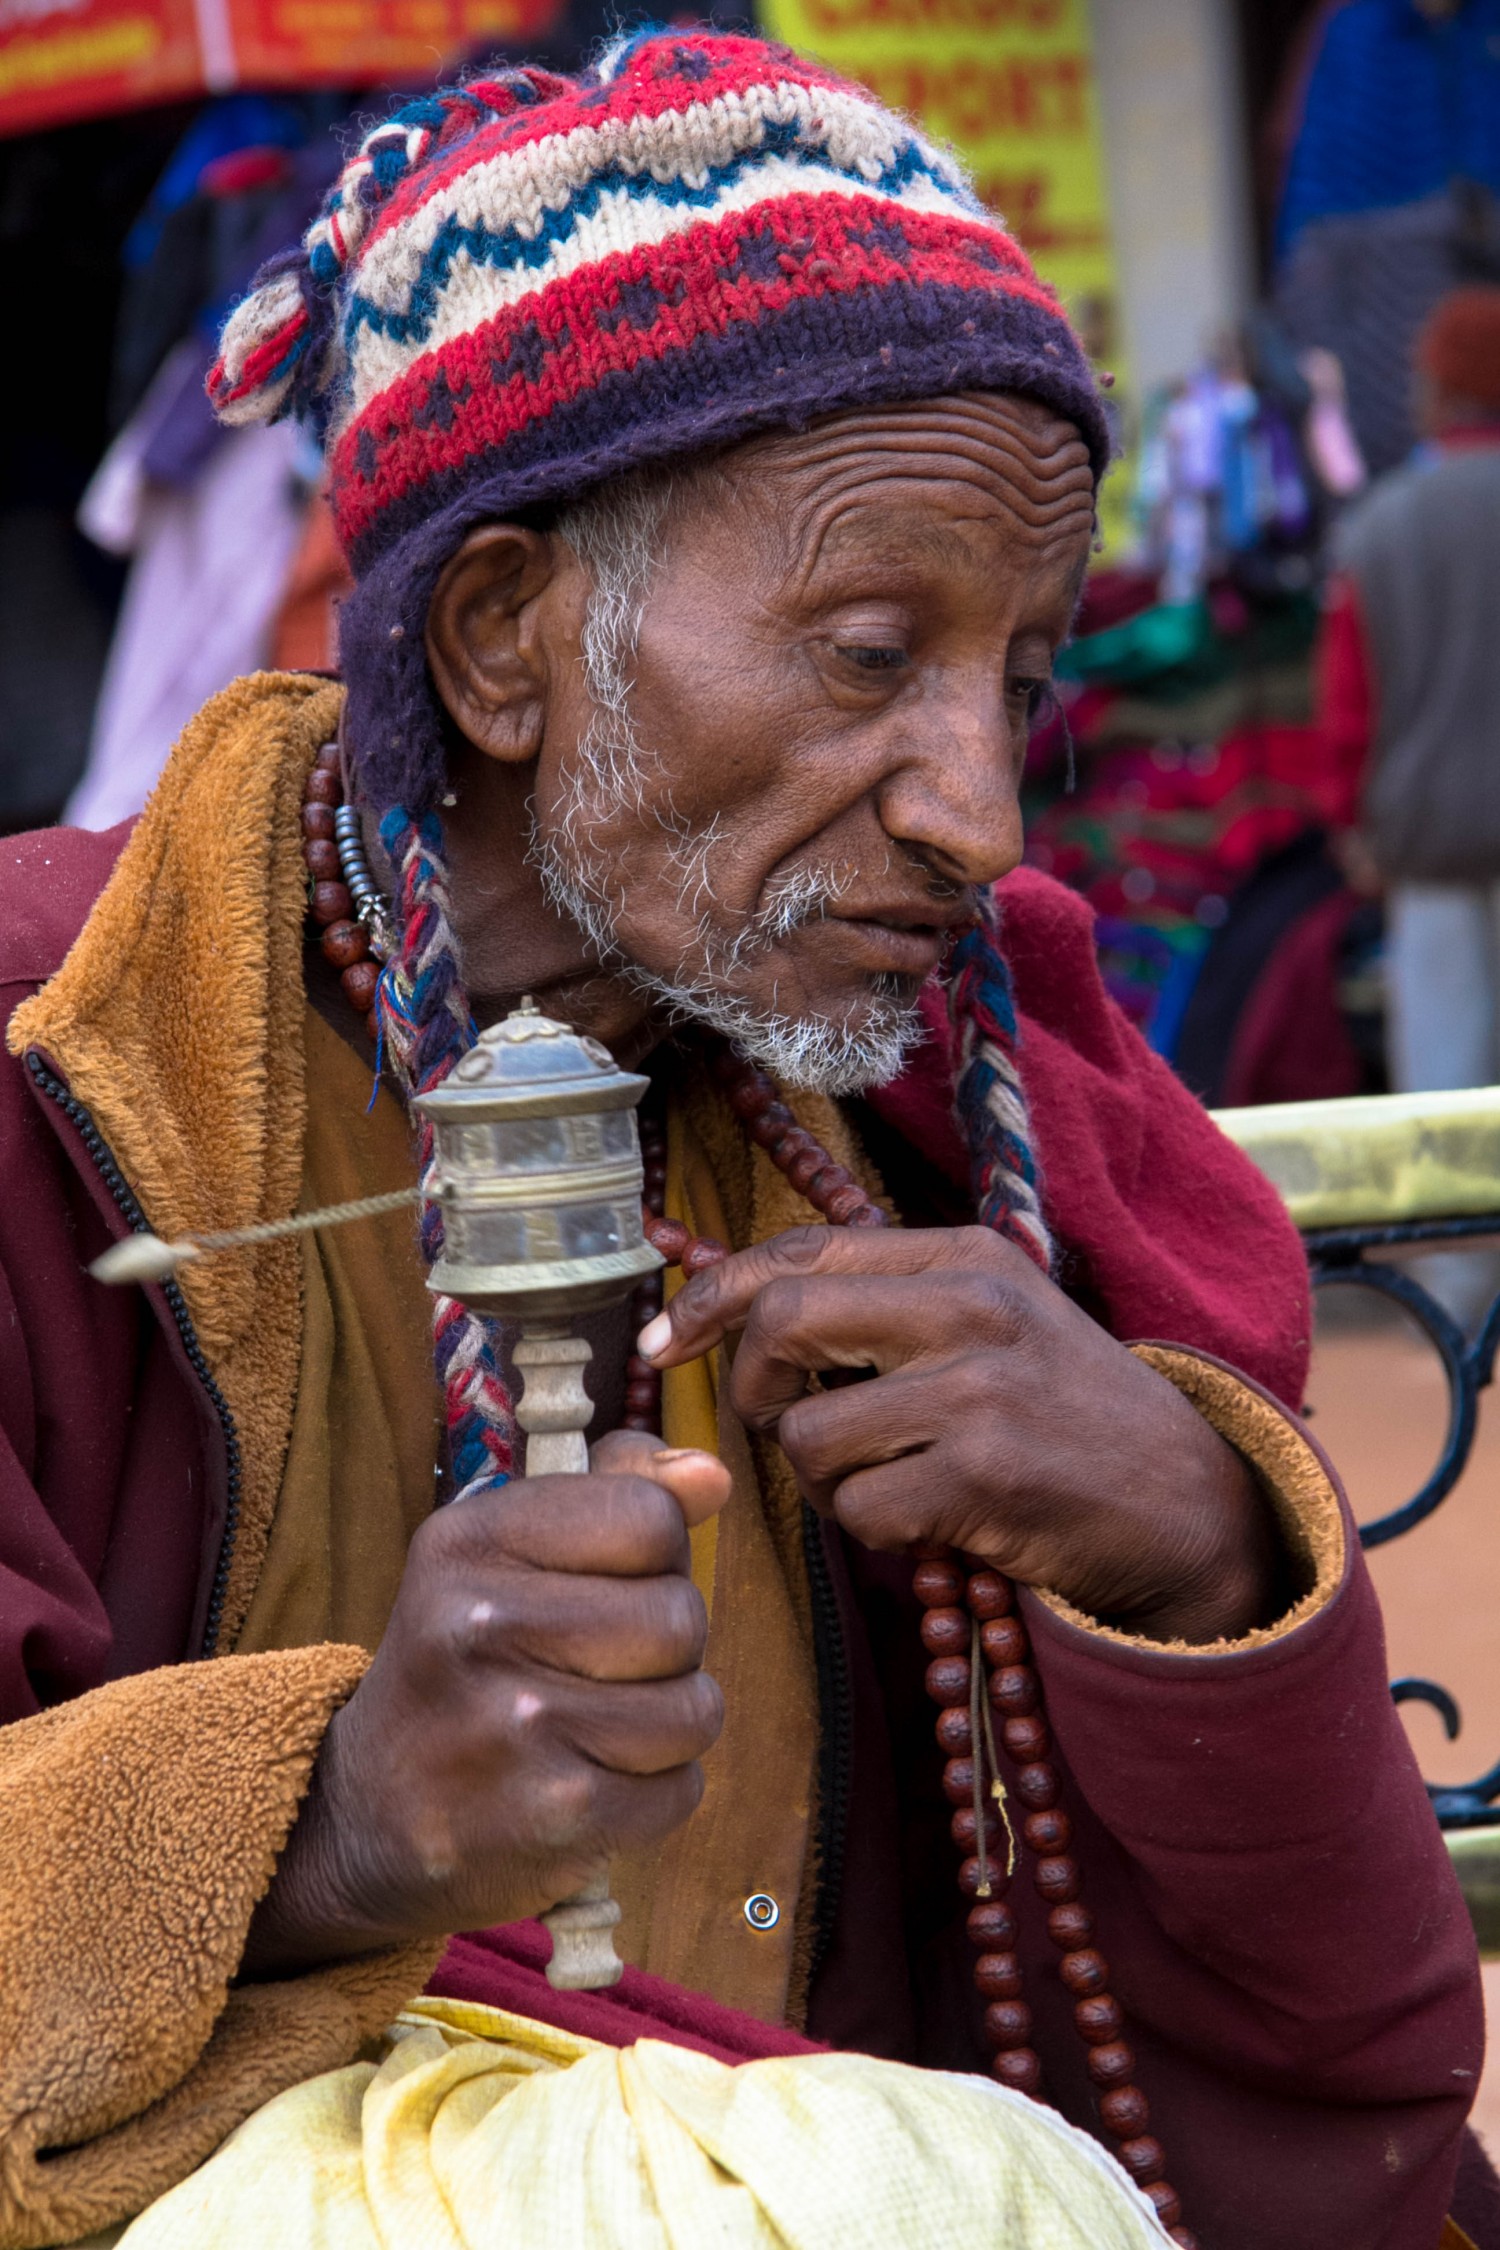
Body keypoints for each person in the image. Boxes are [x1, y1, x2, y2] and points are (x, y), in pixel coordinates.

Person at [0, 35, 1486, 2250]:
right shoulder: (53, 1056)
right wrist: (331, 1820)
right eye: (870, 652)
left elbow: (1357, 2073)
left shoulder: (987, 1128)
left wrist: (1187, 1546)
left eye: (1019, 684)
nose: (979, 812)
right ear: (506, 641)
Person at [1317, 286, 1500, 1094]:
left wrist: (1350, 819)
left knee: (1447, 1082)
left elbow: (1350, 698)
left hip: (1425, 837)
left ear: (1452, 391)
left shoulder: (1383, 525)